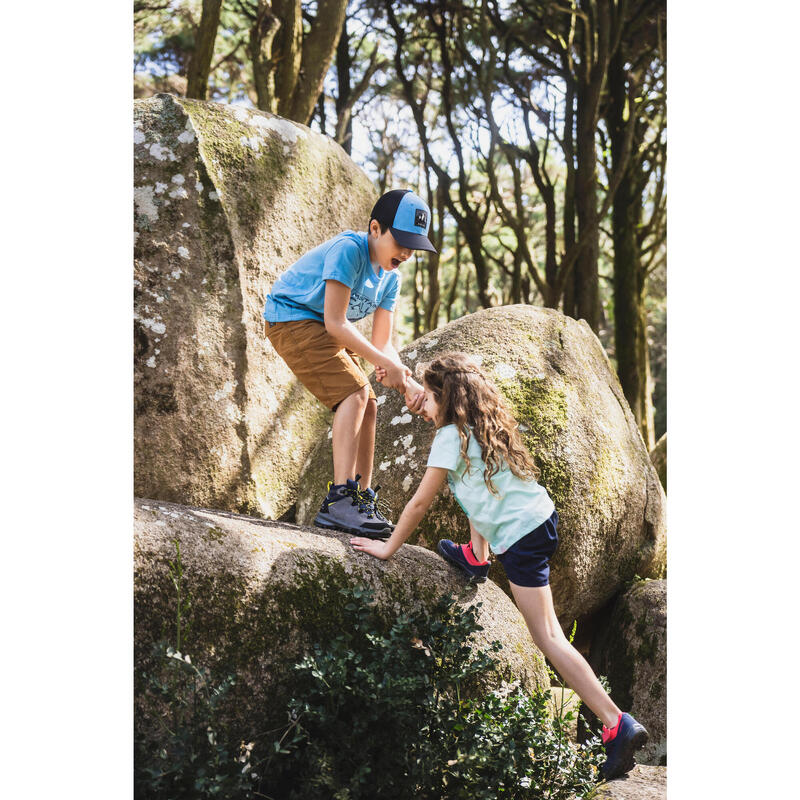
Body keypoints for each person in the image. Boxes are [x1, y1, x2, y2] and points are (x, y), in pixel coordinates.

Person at [352, 353, 648, 780]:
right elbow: (481, 492)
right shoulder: (479, 425)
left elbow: (419, 503)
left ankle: (615, 723)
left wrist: (388, 549)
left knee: (548, 637)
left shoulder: (449, 438)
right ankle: (476, 554)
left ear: (444, 398)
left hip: (523, 538)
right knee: (476, 488)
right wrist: (479, 549)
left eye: (429, 399)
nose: (422, 409)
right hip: (541, 519)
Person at [263, 189, 431, 538]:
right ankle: (339, 500)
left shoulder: (391, 277)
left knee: (368, 401)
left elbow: (383, 342)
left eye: (414, 246)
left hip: (325, 327)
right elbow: (335, 322)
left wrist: (408, 383)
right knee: (354, 393)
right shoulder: (349, 251)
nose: (406, 252)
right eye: (401, 240)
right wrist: (385, 364)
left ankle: (359, 499)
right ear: (375, 229)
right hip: (292, 318)